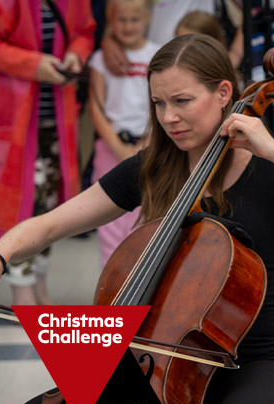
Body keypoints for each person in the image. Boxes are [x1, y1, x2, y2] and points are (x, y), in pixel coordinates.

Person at [0, 34, 274, 404]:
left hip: (262, 363)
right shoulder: (153, 166)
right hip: (155, 366)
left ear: (224, 93)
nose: (169, 117)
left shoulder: (272, 163)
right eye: (158, 103)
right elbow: (47, 226)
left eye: (182, 101)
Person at [0, 0, 96, 305]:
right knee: (19, 206)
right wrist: (33, 64)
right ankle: (22, 292)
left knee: (50, 204)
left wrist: (75, 54)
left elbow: (86, 31)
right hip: (11, 122)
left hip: (57, 120)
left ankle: (38, 287)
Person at [88, 0, 161, 267]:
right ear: (110, 22)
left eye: (134, 19)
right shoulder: (99, 59)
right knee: (108, 223)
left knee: (142, 219)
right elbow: (96, 107)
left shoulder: (158, 55)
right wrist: (118, 147)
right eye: (121, 20)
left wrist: (149, 141)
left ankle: (137, 288)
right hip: (110, 147)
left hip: (149, 145)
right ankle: (111, 291)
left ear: (147, 20)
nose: (128, 26)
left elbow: (160, 102)